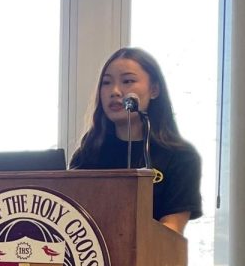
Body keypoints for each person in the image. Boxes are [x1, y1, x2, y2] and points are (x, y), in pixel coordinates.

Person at [69, 47, 202, 235]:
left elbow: (172, 229)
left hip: (152, 262)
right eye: (106, 83)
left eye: (128, 81)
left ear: (154, 89)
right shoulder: (89, 152)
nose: (114, 91)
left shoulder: (181, 157)